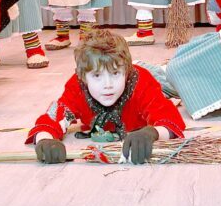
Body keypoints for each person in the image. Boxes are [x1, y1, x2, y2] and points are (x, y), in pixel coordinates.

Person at [25, 30, 186, 164]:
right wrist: (45, 140)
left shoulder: (141, 82)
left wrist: (151, 133)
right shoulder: (77, 87)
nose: (107, 85)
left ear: (126, 72)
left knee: (177, 81)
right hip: (124, 68)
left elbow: (168, 117)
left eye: (115, 73)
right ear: (83, 77)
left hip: (155, 76)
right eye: (97, 75)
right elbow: (53, 118)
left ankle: (165, 67)